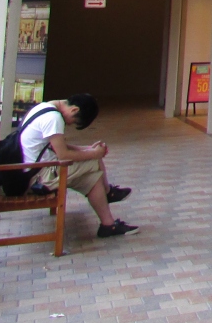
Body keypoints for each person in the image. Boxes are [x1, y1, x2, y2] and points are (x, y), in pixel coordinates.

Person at [19, 94, 139, 238]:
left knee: (92, 177)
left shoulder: (43, 108)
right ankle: (108, 193)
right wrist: (94, 154)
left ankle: (108, 225)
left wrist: (88, 149)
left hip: (38, 171)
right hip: (40, 177)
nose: (70, 124)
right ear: (74, 110)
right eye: (74, 121)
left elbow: (55, 147)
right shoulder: (54, 118)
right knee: (94, 161)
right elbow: (63, 154)